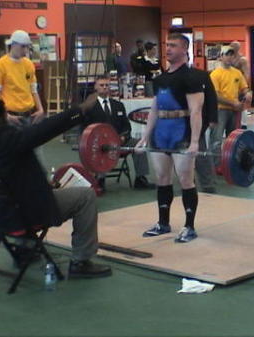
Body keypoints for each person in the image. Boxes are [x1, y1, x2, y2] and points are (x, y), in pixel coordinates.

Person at [0, 97, 112, 279]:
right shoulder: (9, 138)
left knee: (15, 197)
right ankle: (81, 261)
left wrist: (40, 184)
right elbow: (47, 128)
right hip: (23, 216)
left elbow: (5, 176)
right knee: (86, 196)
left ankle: (23, 251)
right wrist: (79, 110)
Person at [136, 33, 204, 243]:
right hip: (161, 134)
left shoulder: (191, 77)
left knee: (185, 180)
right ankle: (163, 223)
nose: (168, 49)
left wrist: (194, 141)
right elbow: (154, 110)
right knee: (162, 179)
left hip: (180, 132)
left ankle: (189, 227)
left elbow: (196, 111)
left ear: (185, 48)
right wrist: (145, 137)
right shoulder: (160, 79)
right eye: (167, 45)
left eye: (173, 45)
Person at [83, 75, 155, 190]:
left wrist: (123, 137)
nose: (105, 87)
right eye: (102, 85)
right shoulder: (89, 107)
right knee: (98, 149)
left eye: (107, 85)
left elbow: (127, 126)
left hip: (120, 141)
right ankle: (100, 180)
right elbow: (85, 129)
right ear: (96, 87)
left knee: (138, 144)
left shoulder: (118, 105)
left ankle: (141, 178)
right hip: (100, 144)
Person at [0, 30, 45, 129]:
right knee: (11, 143)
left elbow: (33, 88)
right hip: (10, 116)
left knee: (32, 143)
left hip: (30, 115)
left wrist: (40, 109)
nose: (25, 50)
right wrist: (5, 116)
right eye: (23, 46)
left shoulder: (28, 64)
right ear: (13, 45)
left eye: (27, 47)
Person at [209, 46, 252, 168]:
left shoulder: (237, 73)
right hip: (219, 110)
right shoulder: (215, 74)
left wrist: (247, 93)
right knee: (216, 139)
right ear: (221, 57)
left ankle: (230, 165)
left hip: (234, 111)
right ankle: (215, 166)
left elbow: (244, 88)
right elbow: (216, 96)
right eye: (226, 54)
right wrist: (233, 103)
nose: (229, 57)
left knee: (232, 140)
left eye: (231, 55)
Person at [190, 65, 218, 194]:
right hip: (179, 124)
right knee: (181, 157)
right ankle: (189, 185)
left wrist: (213, 119)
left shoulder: (201, 75)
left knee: (201, 154)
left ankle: (207, 185)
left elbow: (211, 97)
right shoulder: (170, 76)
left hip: (199, 121)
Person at [230, 40, 252, 129]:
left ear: (237, 48)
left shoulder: (242, 60)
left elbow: (247, 74)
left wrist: (245, 88)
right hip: (230, 86)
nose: (231, 48)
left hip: (239, 86)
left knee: (242, 106)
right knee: (232, 105)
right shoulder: (230, 58)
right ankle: (232, 125)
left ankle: (243, 125)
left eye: (233, 46)